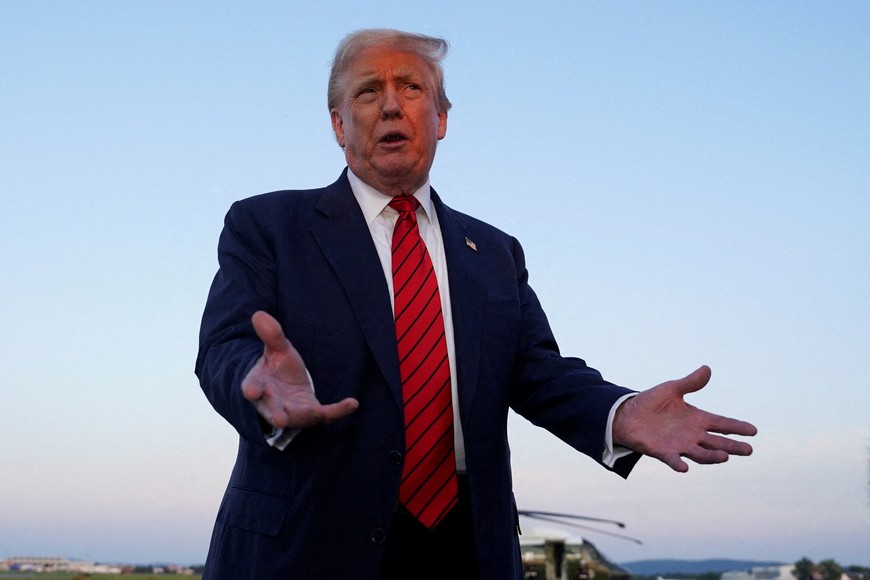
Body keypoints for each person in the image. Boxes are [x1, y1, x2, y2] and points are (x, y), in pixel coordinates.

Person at [195, 28, 757, 580]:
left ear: (441, 119)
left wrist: (619, 412)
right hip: (306, 546)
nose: (391, 104)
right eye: (368, 91)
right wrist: (261, 388)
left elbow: (537, 372)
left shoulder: (493, 252)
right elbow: (226, 345)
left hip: (467, 548)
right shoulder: (269, 226)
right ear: (340, 125)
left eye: (411, 88)